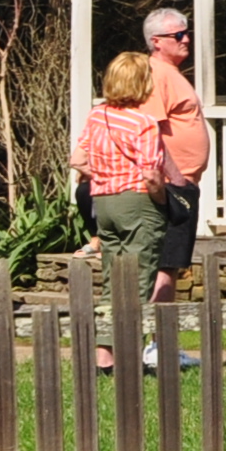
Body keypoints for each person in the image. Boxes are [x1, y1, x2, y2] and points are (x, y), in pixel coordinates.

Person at [73, 51, 168, 374]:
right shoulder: (145, 123)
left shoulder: (97, 115)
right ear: (142, 83)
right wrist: (163, 201)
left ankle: (104, 357)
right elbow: (152, 174)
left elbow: (77, 159)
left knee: (112, 278)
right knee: (139, 280)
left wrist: (103, 174)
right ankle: (130, 358)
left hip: (105, 203)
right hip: (137, 201)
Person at [140, 8, 208, 310]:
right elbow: (149, 129)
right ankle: (155, 343)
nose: (186, 39)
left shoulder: (171, 74)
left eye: (186, 32)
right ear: (157, 41)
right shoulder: (156, 74)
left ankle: (157, 342)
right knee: (165, 264)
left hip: (181, 183)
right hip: (171, 185)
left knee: (171, 264)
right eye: (178, 35)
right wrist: (177, 179)